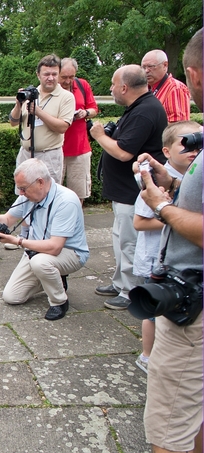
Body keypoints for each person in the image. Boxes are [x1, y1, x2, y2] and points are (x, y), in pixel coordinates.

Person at [132, 29, 203, 453]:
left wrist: (162, 206)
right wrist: (172, 185)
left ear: (191, 75)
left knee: (169, 427)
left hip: (193, 305)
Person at [89, 65, 167, 310]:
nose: (111, 89)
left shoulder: (144, 111)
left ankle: (131, 291)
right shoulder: (140, 107)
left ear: (124, 87)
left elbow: (124, 153)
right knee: (120, 238)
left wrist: (100, 135)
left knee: (130, 241)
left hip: (132, 192)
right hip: (123, 190)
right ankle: (121, 281)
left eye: (113, 85)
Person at [0, 159, 89, 321]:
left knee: (40, 263)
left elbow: (55, 247)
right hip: (36, 251)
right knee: (11, 297)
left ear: (40, 182)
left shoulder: (66, 200)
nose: (20, 193)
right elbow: (8, 218)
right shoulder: (28, 196)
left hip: (70, 253)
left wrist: (18, 241)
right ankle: (55, 278)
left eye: (23, 188)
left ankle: (59, 302)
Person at [131, 121, 200, 374]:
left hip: (175, 263)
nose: (194, 149)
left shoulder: (184, 176)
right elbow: (139, 222)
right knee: (153, 314)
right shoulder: (153, 183)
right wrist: (167, 212)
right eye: (186, 143)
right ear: (167, 151)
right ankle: (148, 356)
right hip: (156, 260)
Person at [9, 54, 75, 185]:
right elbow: (13, 122)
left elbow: (62, 127)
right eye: (46, 74)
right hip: (26, 154)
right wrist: (18, 104)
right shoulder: (30, 94)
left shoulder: (66, 97)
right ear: (38, 75)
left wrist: (38, 112)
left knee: (48, 195)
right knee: (24, 193)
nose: (50, 78)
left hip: (49, 156)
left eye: (54, 74)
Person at [59, 57, 99, 204]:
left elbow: (94, 108)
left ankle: (76, 224)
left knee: (78, 193)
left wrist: (85, 113)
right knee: (51, 191)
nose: (68, 81)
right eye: (64, 77)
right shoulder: (50, 89)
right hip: (57, 148)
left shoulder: (82, 85)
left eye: (71, 77)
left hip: (79, 148)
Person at [141, 49, 191, 123]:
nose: (146, 71)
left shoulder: (175, 88)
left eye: (151, 66)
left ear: (165, 65)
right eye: (143, 67)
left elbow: (177, 126)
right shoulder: (147, 88)